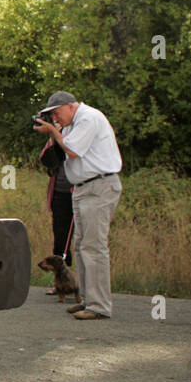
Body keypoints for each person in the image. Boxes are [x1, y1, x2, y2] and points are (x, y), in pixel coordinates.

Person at [33, 91, 122, 320]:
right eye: (51, 115)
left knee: (94, 247)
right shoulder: (71, 125)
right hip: (83, 188)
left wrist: (53, 131)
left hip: (99, 186)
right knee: (82, 246)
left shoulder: (88, 118)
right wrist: (55, 133)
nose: (55, 117)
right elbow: (56, 157)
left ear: (71, 106)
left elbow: (72, 151)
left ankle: (99, 306)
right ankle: (86, 299)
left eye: (56, 112)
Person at [38, 136, 74, 268]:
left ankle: (81, 280)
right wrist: (53, 137)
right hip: (59, 192)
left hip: (78, 191)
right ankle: (61, 282)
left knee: (84, 242)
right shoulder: (56, 136)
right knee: (60, 241)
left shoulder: (81, 133)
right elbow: (45, 159)